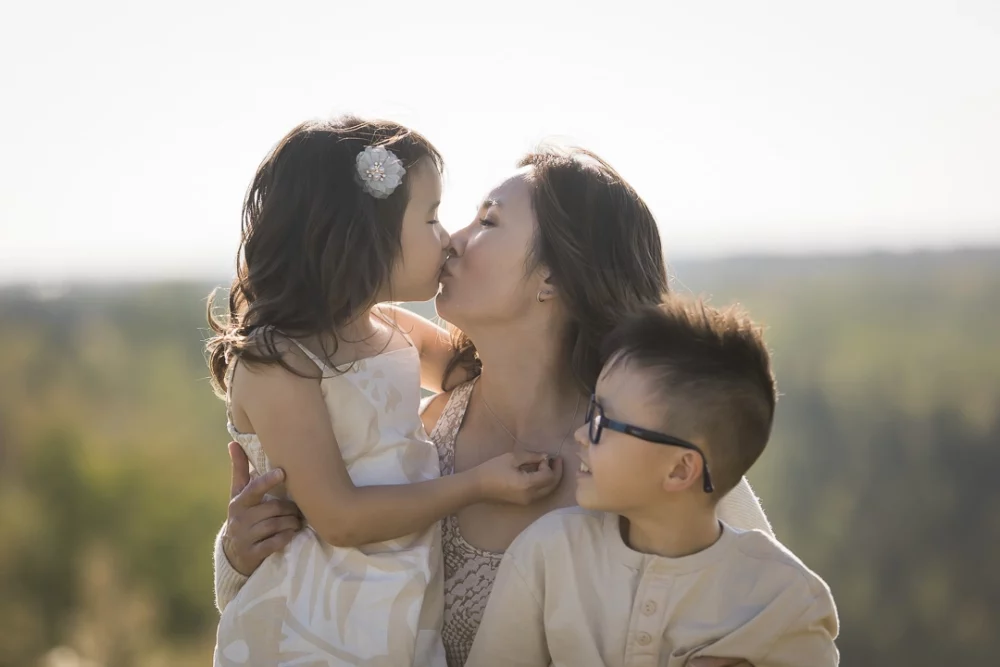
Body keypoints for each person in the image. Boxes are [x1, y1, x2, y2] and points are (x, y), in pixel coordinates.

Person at [214, 147, 775, 666]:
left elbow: (768, 620)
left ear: (552, 277)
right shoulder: (420, 436)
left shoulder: (651, 449)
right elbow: (318, 583)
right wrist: (241, 553)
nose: (452, 240)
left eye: (487, 222)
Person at [205, 117, 562, 667]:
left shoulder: (391, 328)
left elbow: (479, 371)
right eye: (431, 217)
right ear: (360, 236)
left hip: (396, 610)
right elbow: (340, 517)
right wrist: (478, 484)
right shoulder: (279, 364)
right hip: (313, 624)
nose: (447, 239)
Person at [467, 297, 840, 667]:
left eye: (602, 422)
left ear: (680, 470)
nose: (581, 434)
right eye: (591, 409)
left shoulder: (786, 602)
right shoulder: (547, 552)